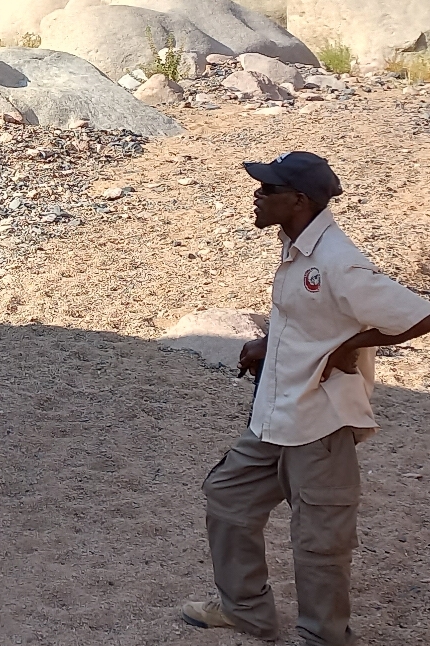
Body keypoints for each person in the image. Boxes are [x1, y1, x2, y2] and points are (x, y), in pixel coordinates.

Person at [181, 152, 430, 646]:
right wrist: (267, 343)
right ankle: (245, 611)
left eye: (267, 190)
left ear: (298, 200)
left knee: (319, 542)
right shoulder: (295, 248)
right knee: (227, 499)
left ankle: (323, 636)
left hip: (321, 421)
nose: (256, 195)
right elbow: (307, 317)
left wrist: (351, 346)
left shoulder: (340, 263)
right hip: (274, 414)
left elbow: (419, 314)